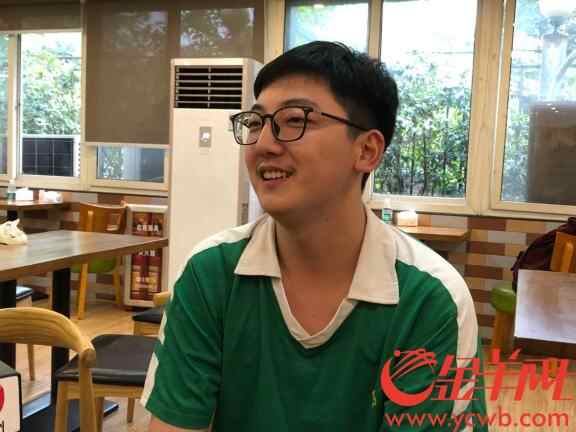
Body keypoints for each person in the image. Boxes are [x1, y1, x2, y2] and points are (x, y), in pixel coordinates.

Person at [142, 41, 487, 431]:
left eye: (295, 120)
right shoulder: (211, 273)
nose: (263, 144)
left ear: (367, 150)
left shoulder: (430, 299)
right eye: (255, 123)